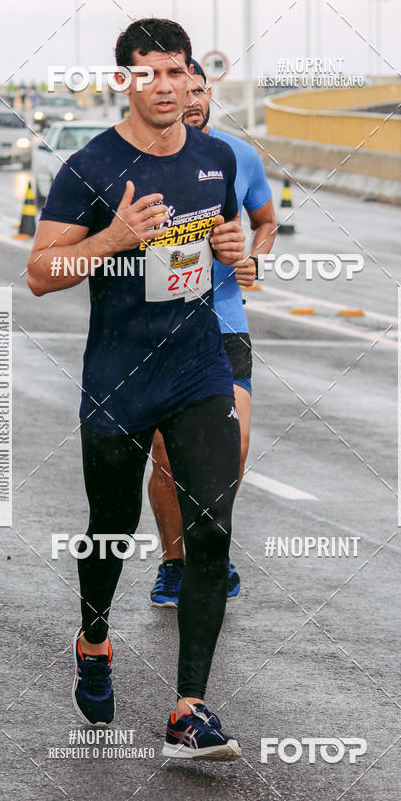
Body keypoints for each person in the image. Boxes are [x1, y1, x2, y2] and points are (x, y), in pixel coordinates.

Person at [27, 18, 247, 761]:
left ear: (193, 79)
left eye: (176, 71)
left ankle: (190, 709)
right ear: (125, 79)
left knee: (211, 523)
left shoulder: (216, 157)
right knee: (111, 528)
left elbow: (229, 246)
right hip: (117, 377)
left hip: (197, 367)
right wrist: (113, 239)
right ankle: (94, 639)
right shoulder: (91, 166)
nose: (164, 86)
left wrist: (235, 250)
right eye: (147, 72)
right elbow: (39, 276)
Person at [148, 60, 277, 607]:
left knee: (235, 447)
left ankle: (211, 551)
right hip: (158, 329)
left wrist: (253, 258)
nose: (193, 98)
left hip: (224, 322)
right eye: (184, 88)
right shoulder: (140, 158)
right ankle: (175, 562)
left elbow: (266, 220)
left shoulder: (237, 156)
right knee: (167, 457)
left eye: (201, 89)